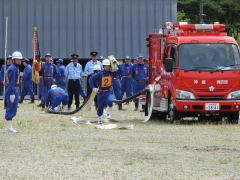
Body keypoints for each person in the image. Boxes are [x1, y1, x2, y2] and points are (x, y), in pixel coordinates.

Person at [90, 59, 119, 124]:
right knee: (100, 107)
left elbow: (119, 72)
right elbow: (91, 79)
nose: (107, 67)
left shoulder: (112, 72)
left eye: (108, 66)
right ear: (103, 66)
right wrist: (93, 88)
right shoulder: (100, 74)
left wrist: (116, 64)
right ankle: (99, 118)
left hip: (108, 91)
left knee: (110, 101)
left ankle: (108, 113)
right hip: (101, 92)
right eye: (105, 66)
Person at [3, 51, 23, 133]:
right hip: (12, 90)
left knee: (13, 108)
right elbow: (11, 82)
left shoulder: (15, 68)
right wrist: (12, 93)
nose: (20, 61)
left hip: (14, 89)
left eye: (20, 60)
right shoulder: (12, 69)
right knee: (11, 108)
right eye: (18, 60)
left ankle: (8, 127)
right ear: (14, 60)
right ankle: (8, 128)